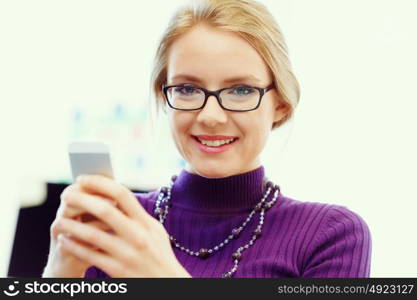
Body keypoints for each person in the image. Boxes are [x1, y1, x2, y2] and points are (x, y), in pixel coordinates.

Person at [42, 0, 371, 278]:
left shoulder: (331, 236)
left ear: (280, 104)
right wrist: (60, 274)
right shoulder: (119, 228)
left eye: (241, 90)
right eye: (187, 89)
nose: (210, 116)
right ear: (164, 97)